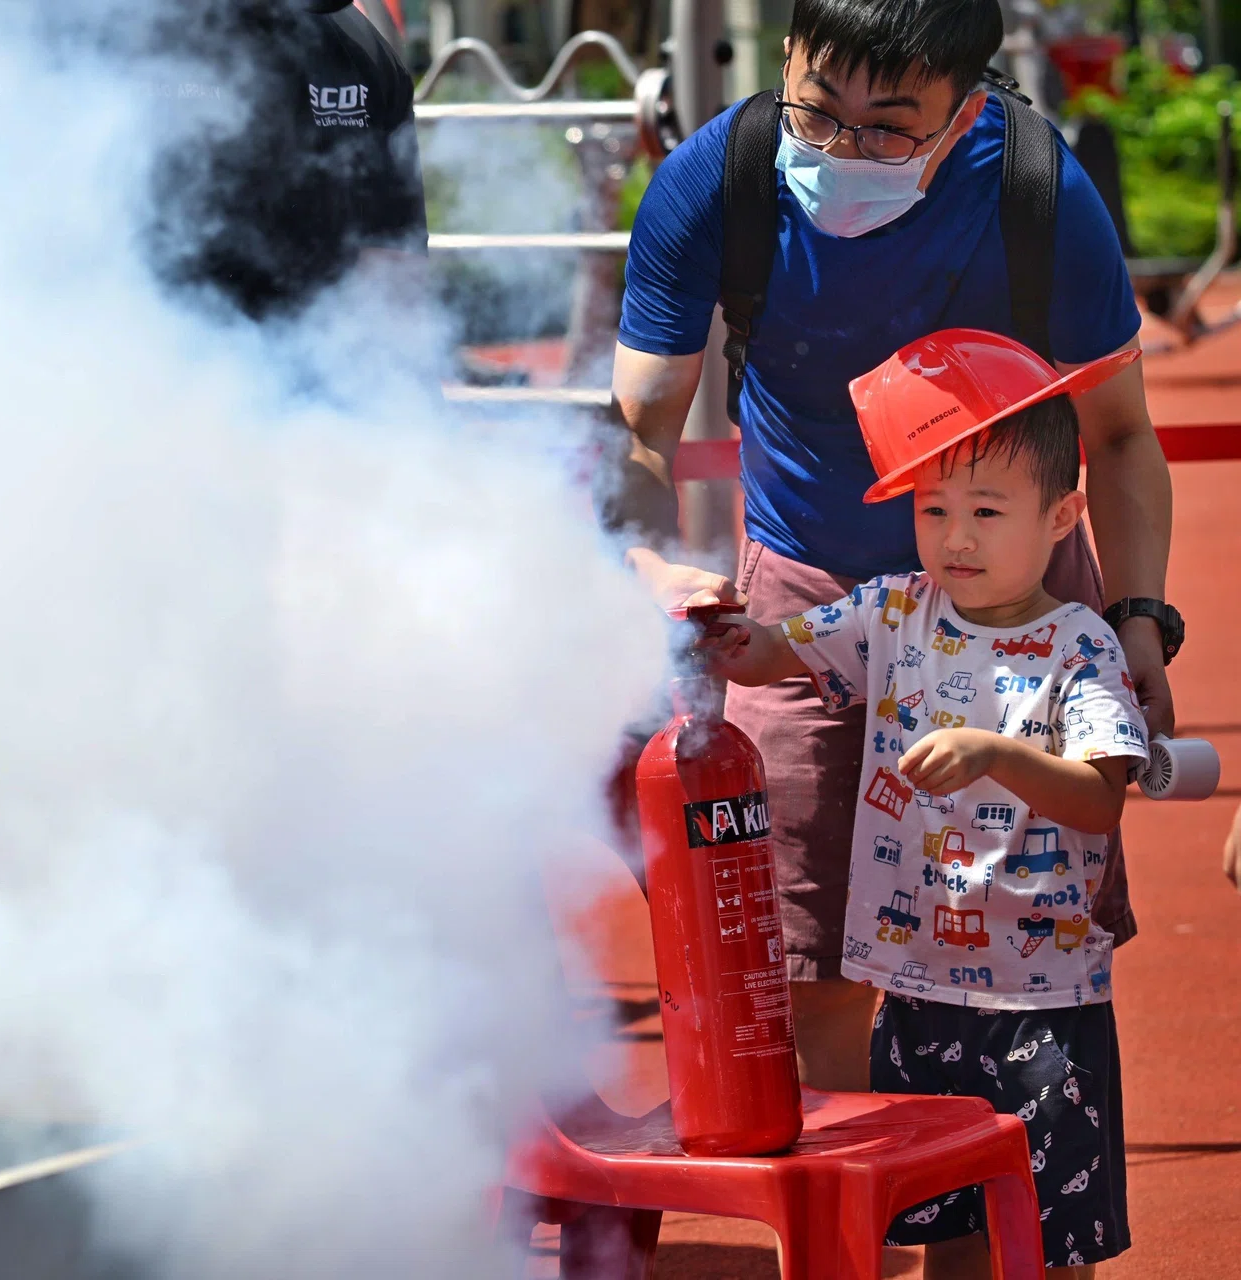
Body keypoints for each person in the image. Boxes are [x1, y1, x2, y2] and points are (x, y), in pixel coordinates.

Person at [607, 0, 1179, 1090]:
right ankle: (849, 1229)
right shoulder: (712, 182)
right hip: (803, 603)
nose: (843, 152)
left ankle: (1023, 1239)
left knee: (1025, 969)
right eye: (818, 114)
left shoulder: (1036, 194)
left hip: (1012, 610)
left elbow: (1119, 433)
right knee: (806, 970)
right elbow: (641, 431)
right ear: (784, 61)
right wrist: (654, 561)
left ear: (966, 113)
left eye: (888, 129)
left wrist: (1140, 616)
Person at [709, 328, 1146, 1277]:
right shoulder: (895, 611)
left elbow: (1101, 799)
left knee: (1046, 1239)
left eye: (987, 510)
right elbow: (782, 647)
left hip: (1043, 999)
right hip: (915, 991)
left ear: (1063, 516)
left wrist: (997, 754)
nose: (955, 536)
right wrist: (725, 634)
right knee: (944, 1233)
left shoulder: (1079, 645)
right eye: (934, 506)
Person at [139, 0, 429, 322]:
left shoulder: (366, 57)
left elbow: (393, 258)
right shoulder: (144, 38)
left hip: (322, 346)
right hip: (162, 347)